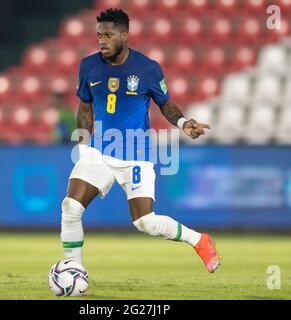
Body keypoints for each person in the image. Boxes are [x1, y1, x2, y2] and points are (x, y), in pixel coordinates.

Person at [60, 8, 221, 273]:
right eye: (99, 35)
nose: (102, 40)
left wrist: (183, 123)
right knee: (70, 206)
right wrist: (83, 146)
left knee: (145, 222)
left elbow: (165, 104)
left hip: (136, 155)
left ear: (124, 35)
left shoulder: (147, 68)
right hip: (98, 151)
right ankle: (74, 270)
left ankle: (199, 240)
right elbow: (85, 108)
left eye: (108, 35)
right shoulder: (88, 66)